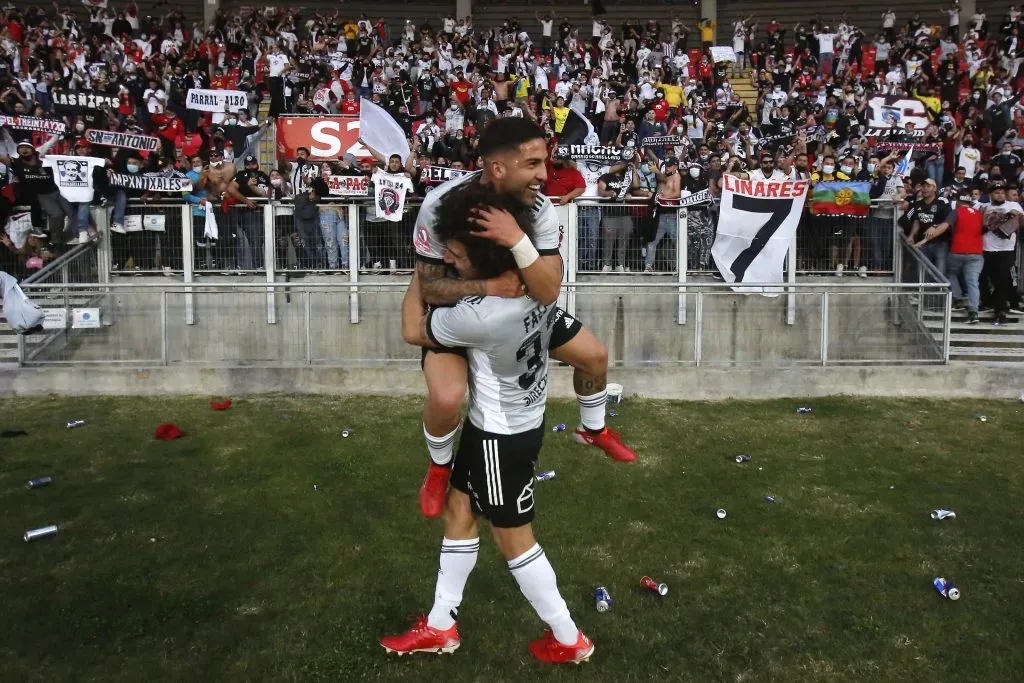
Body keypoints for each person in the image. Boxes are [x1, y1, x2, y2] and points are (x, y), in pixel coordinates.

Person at [384, 182, 594, 664]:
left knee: (514, 539)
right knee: (459, 512)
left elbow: (412, 329)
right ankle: (440, 625)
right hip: (508, 425)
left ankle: (568, 638)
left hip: (501, 437)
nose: (448, 260)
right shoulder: (538, 291)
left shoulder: (479, 315)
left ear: (480, 261)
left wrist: (419, 275)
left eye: (456, 255)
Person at [410, 118, 636, 521]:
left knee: (595, 357)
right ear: (498, 168)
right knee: (446, 399)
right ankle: (439, 467)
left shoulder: (540, 208)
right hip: (460, 313)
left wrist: (515, 239)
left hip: (520, 309)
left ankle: (594, 429)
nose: (544, 175)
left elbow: (548, 290)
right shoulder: (439, 206)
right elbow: (429, 288)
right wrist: (488, 287)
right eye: (532, 164)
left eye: (544, 162)